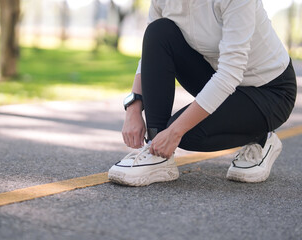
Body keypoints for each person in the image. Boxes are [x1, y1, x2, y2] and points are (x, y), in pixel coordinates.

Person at [108, 0, 297, 186]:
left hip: (269, 91)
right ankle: (156, 151)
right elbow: (151, 54)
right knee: (159, 31)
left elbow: (230, 73)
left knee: (185, 133)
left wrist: (175, 131)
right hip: (219, 78)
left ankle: (260, 136)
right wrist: (133, 109)